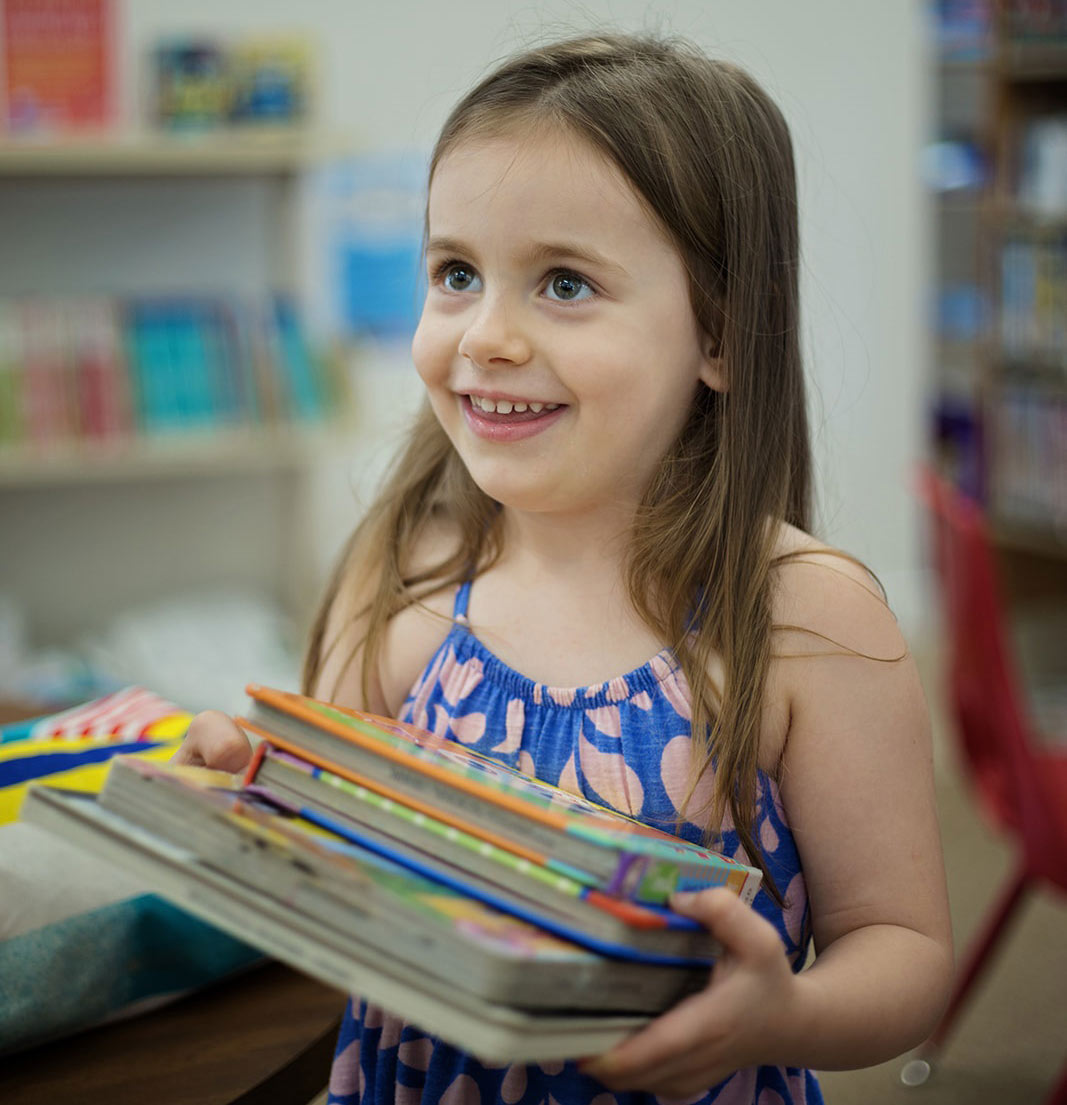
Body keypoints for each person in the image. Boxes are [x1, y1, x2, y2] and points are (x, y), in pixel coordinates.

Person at [175, 31, 953, 1105]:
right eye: (455, 273)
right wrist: (255, 794)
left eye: (564, 284)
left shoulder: (807, 615)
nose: (484, 335)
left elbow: (902, 946)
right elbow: (335, 859)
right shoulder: (403, 571)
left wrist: (786, 1017)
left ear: (718, 331)